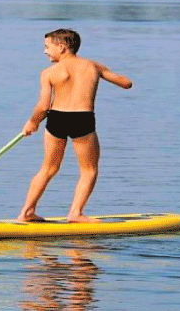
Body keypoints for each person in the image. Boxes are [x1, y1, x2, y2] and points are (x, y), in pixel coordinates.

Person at [17, 29, 132, 224]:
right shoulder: (92, 66)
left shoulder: (49, 73)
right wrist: (102, 73)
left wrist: (33, 122)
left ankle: (26, 212)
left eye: (47, 47)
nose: (45, 51)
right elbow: (126, 83)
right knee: (89, 170)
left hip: (57, 118)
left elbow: (44, 106)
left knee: (48, 168)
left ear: (61, 47)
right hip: (82, 119)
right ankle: (75, 213)